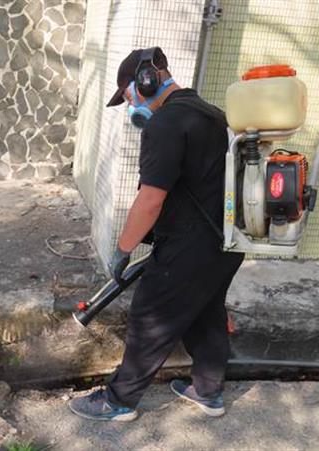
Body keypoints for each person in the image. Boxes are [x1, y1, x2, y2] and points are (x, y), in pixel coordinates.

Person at [68, 47, 244, 421]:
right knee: (205, 311)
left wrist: (122, 249)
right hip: (228, 242)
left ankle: (119, 401)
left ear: (146, 81)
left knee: (151, 314)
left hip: (189, 245)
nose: (130, 102)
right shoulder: (215, 115)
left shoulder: (165, 124)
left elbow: (150, 200)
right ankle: (208, 391)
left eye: (128, 93)